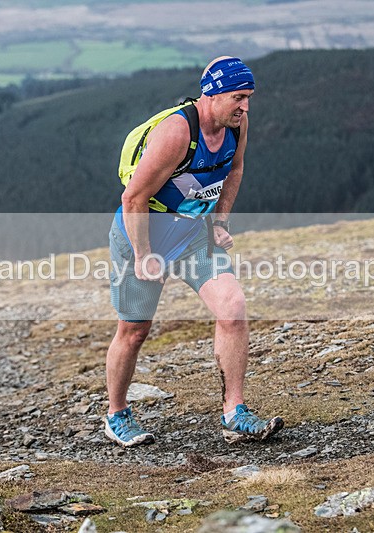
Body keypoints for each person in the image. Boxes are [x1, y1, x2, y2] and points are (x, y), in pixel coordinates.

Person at [104, 56, 284, 447]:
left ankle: (234, 413)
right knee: (134, 330)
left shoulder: (237, 125)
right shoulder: (176, 133)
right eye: (239, 97)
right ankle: (117, 414)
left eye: (249, 97)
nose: (246, 107)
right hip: (143, 233)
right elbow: (133, 197)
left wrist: (220, 223)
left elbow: (234, 170)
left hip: (192, 236)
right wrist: (143, 254)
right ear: (212, 94)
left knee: (232, 308)